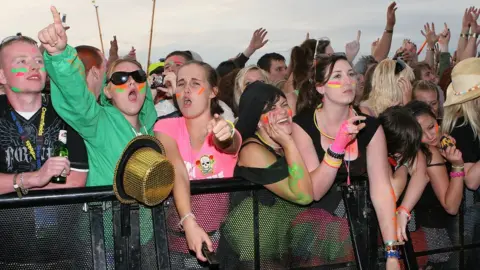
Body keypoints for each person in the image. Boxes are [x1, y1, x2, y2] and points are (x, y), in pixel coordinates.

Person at [292, 53, 400, 269]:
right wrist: (338, 146)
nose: (347, 82)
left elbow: (382, 190)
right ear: (321, 87)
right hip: (316, 237)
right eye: (337, 76)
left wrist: (392, 252)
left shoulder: (370, 126)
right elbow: (315, 190)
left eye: (351, 74)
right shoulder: (303, 124)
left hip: (361, 230)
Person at [154, 61, 242, 268]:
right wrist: (188, 220)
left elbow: (231, 143)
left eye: (195, 84)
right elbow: (176, 169)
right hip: (175, 246)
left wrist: (224, 136)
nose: (186, 90)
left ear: (213, 92)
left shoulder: (226, 128)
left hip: (223, 248)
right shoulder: (165, 126)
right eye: (181, 83)